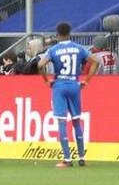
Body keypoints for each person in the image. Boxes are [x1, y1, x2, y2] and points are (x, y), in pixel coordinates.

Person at [39, 21, 97, 168]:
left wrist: (46, 80)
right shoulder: (79, 48)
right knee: (76, 121)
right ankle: (82, 157)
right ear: (69, 33)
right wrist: (87, 81)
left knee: (62, 122)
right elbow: (96, 62)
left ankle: (67, 159)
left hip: (59, 85)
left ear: (57, 35)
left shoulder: (53, 50)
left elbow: (40, 65)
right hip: (74, 85)